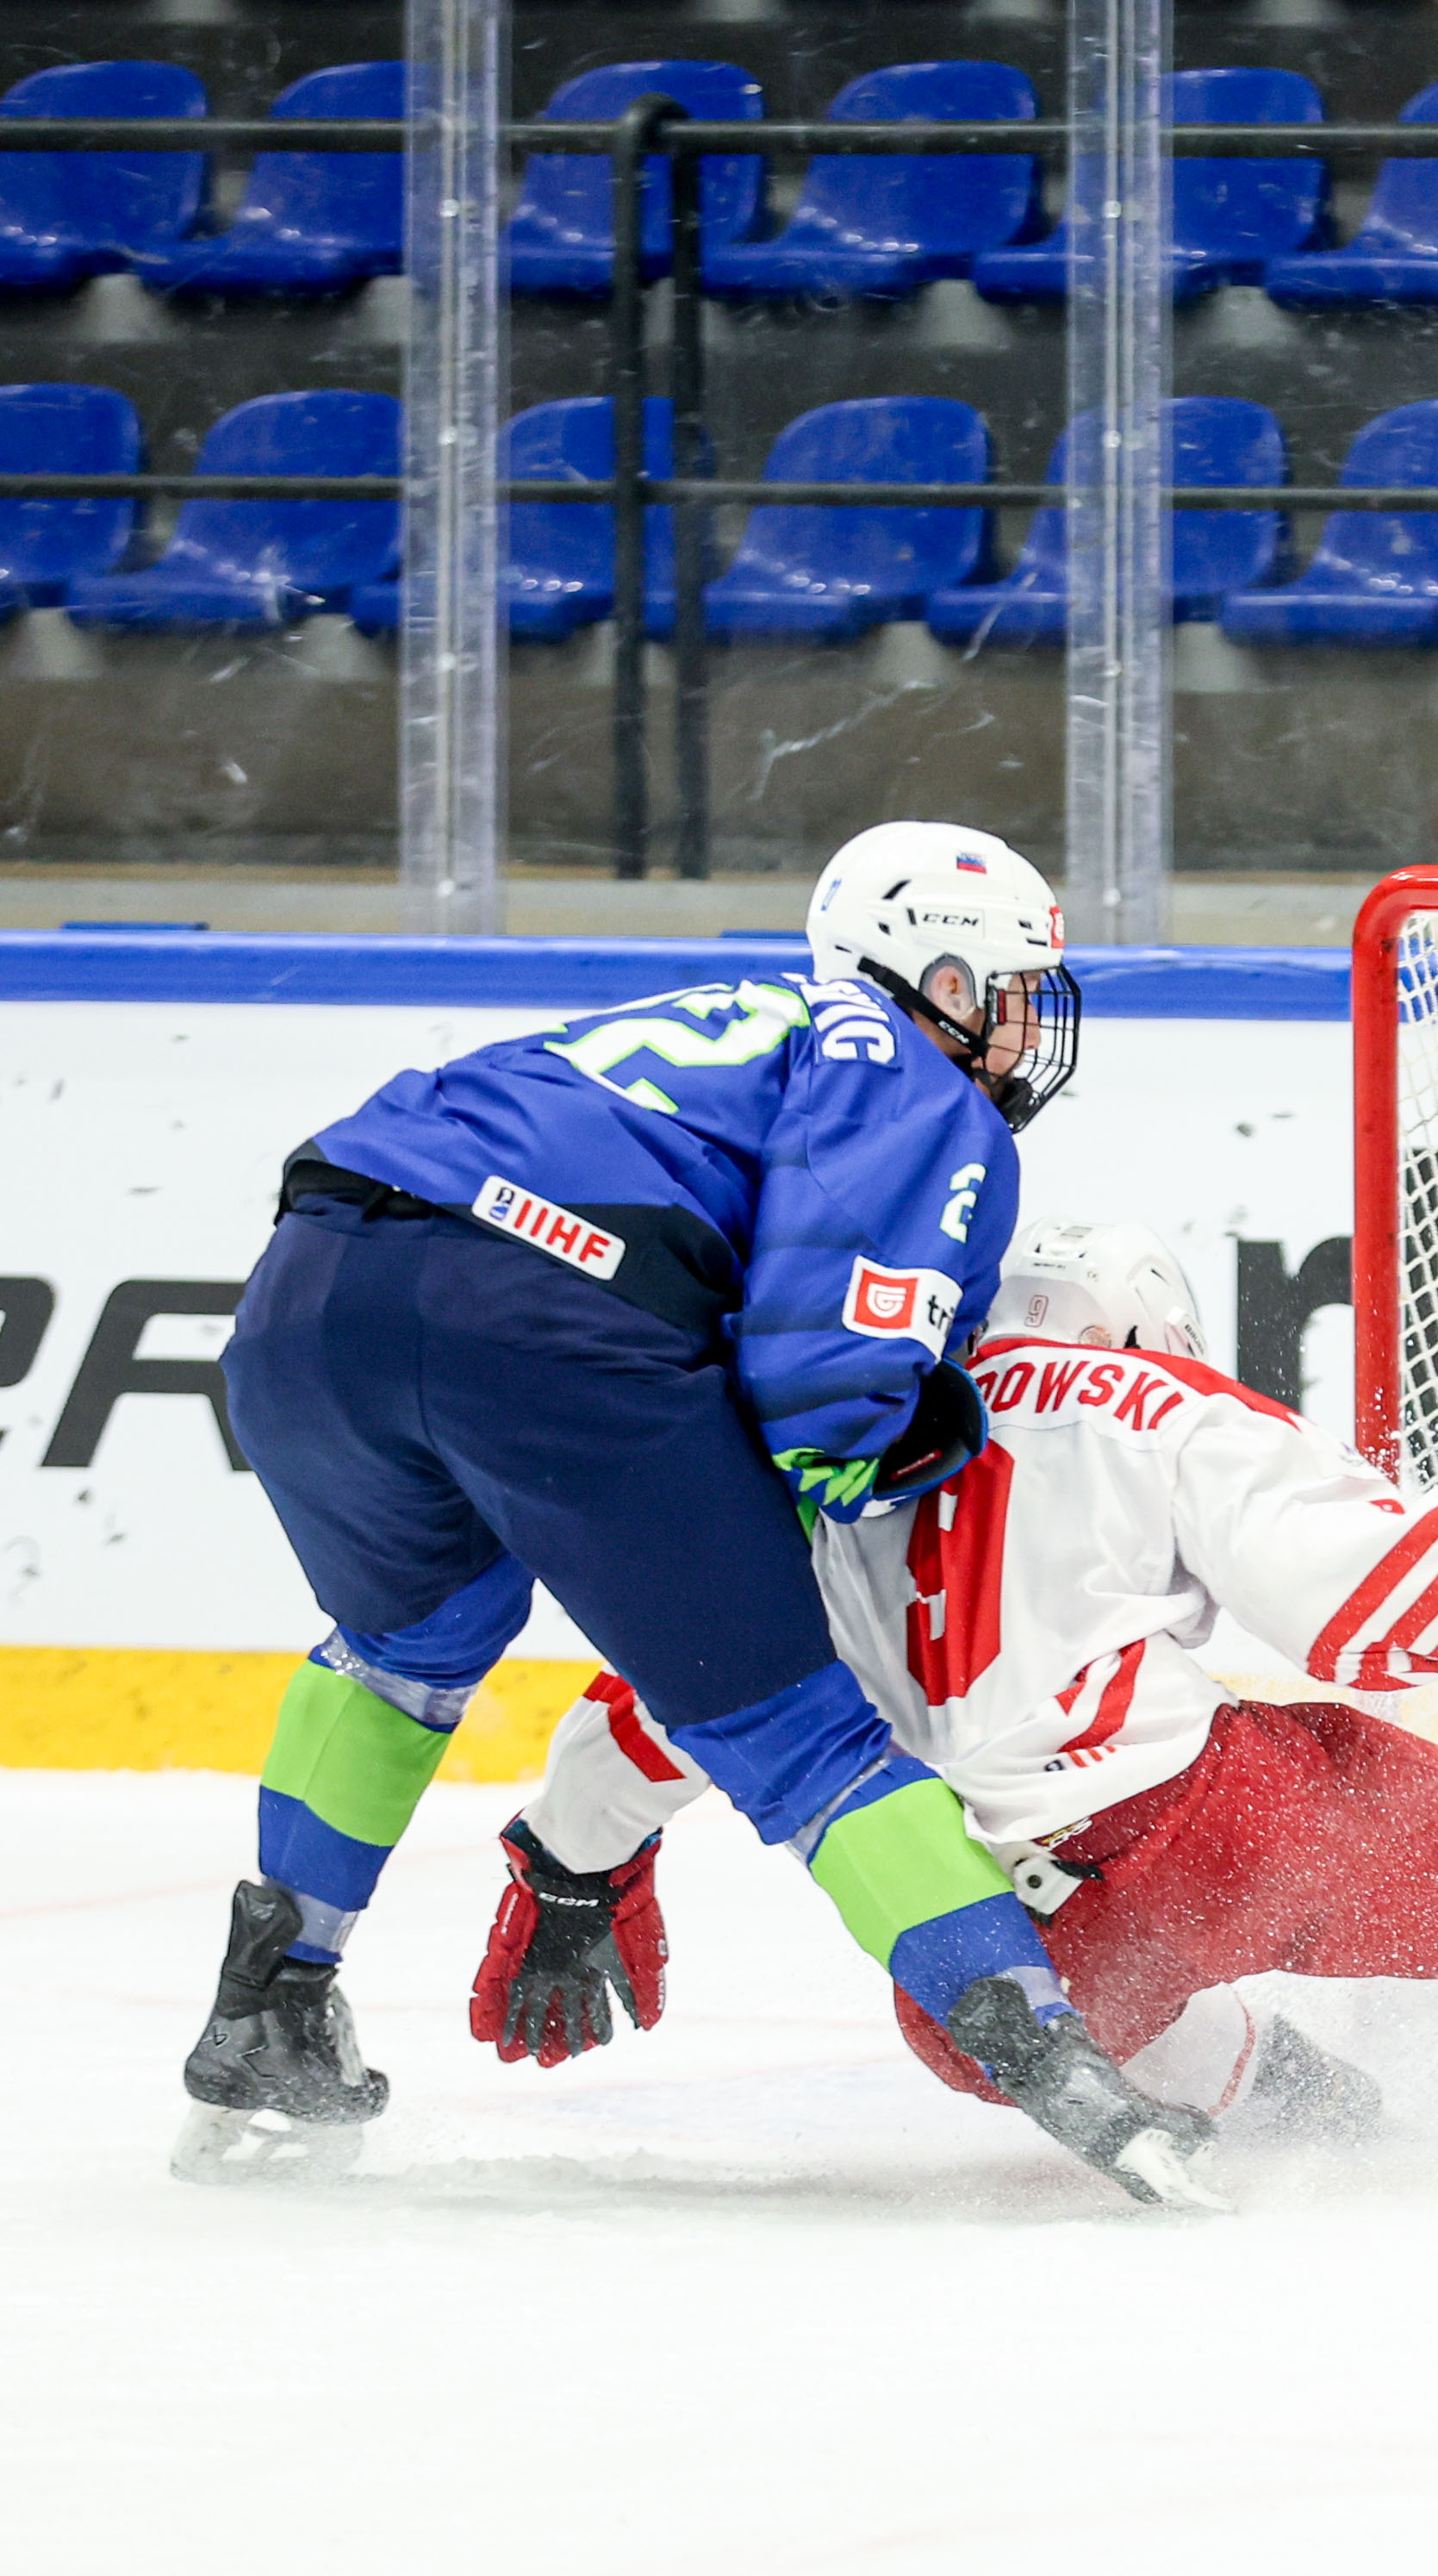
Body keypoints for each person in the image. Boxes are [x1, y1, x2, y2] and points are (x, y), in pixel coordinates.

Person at [185, 825, 1219, 2210]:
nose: (1028, 1030)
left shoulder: (724, 1023)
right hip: (541, 1314)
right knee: (803, 1734)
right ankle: (1061, 2064)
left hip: (312, 1289)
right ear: (938, 978)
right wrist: (921, 1441)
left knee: (405, 1647)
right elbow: (823, 1391)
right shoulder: (910, 1077)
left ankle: (270, 2006)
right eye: (1014, 991)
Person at [473, 1218, 1438, 2156]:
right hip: (1228, 1824)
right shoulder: (1145, 1397)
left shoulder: (834, 1461)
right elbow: (1358, 1590)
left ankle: (1306, 2104)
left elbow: (671, 1701)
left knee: (1048, 2007)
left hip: (982, 1954)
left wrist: (572, 1863)